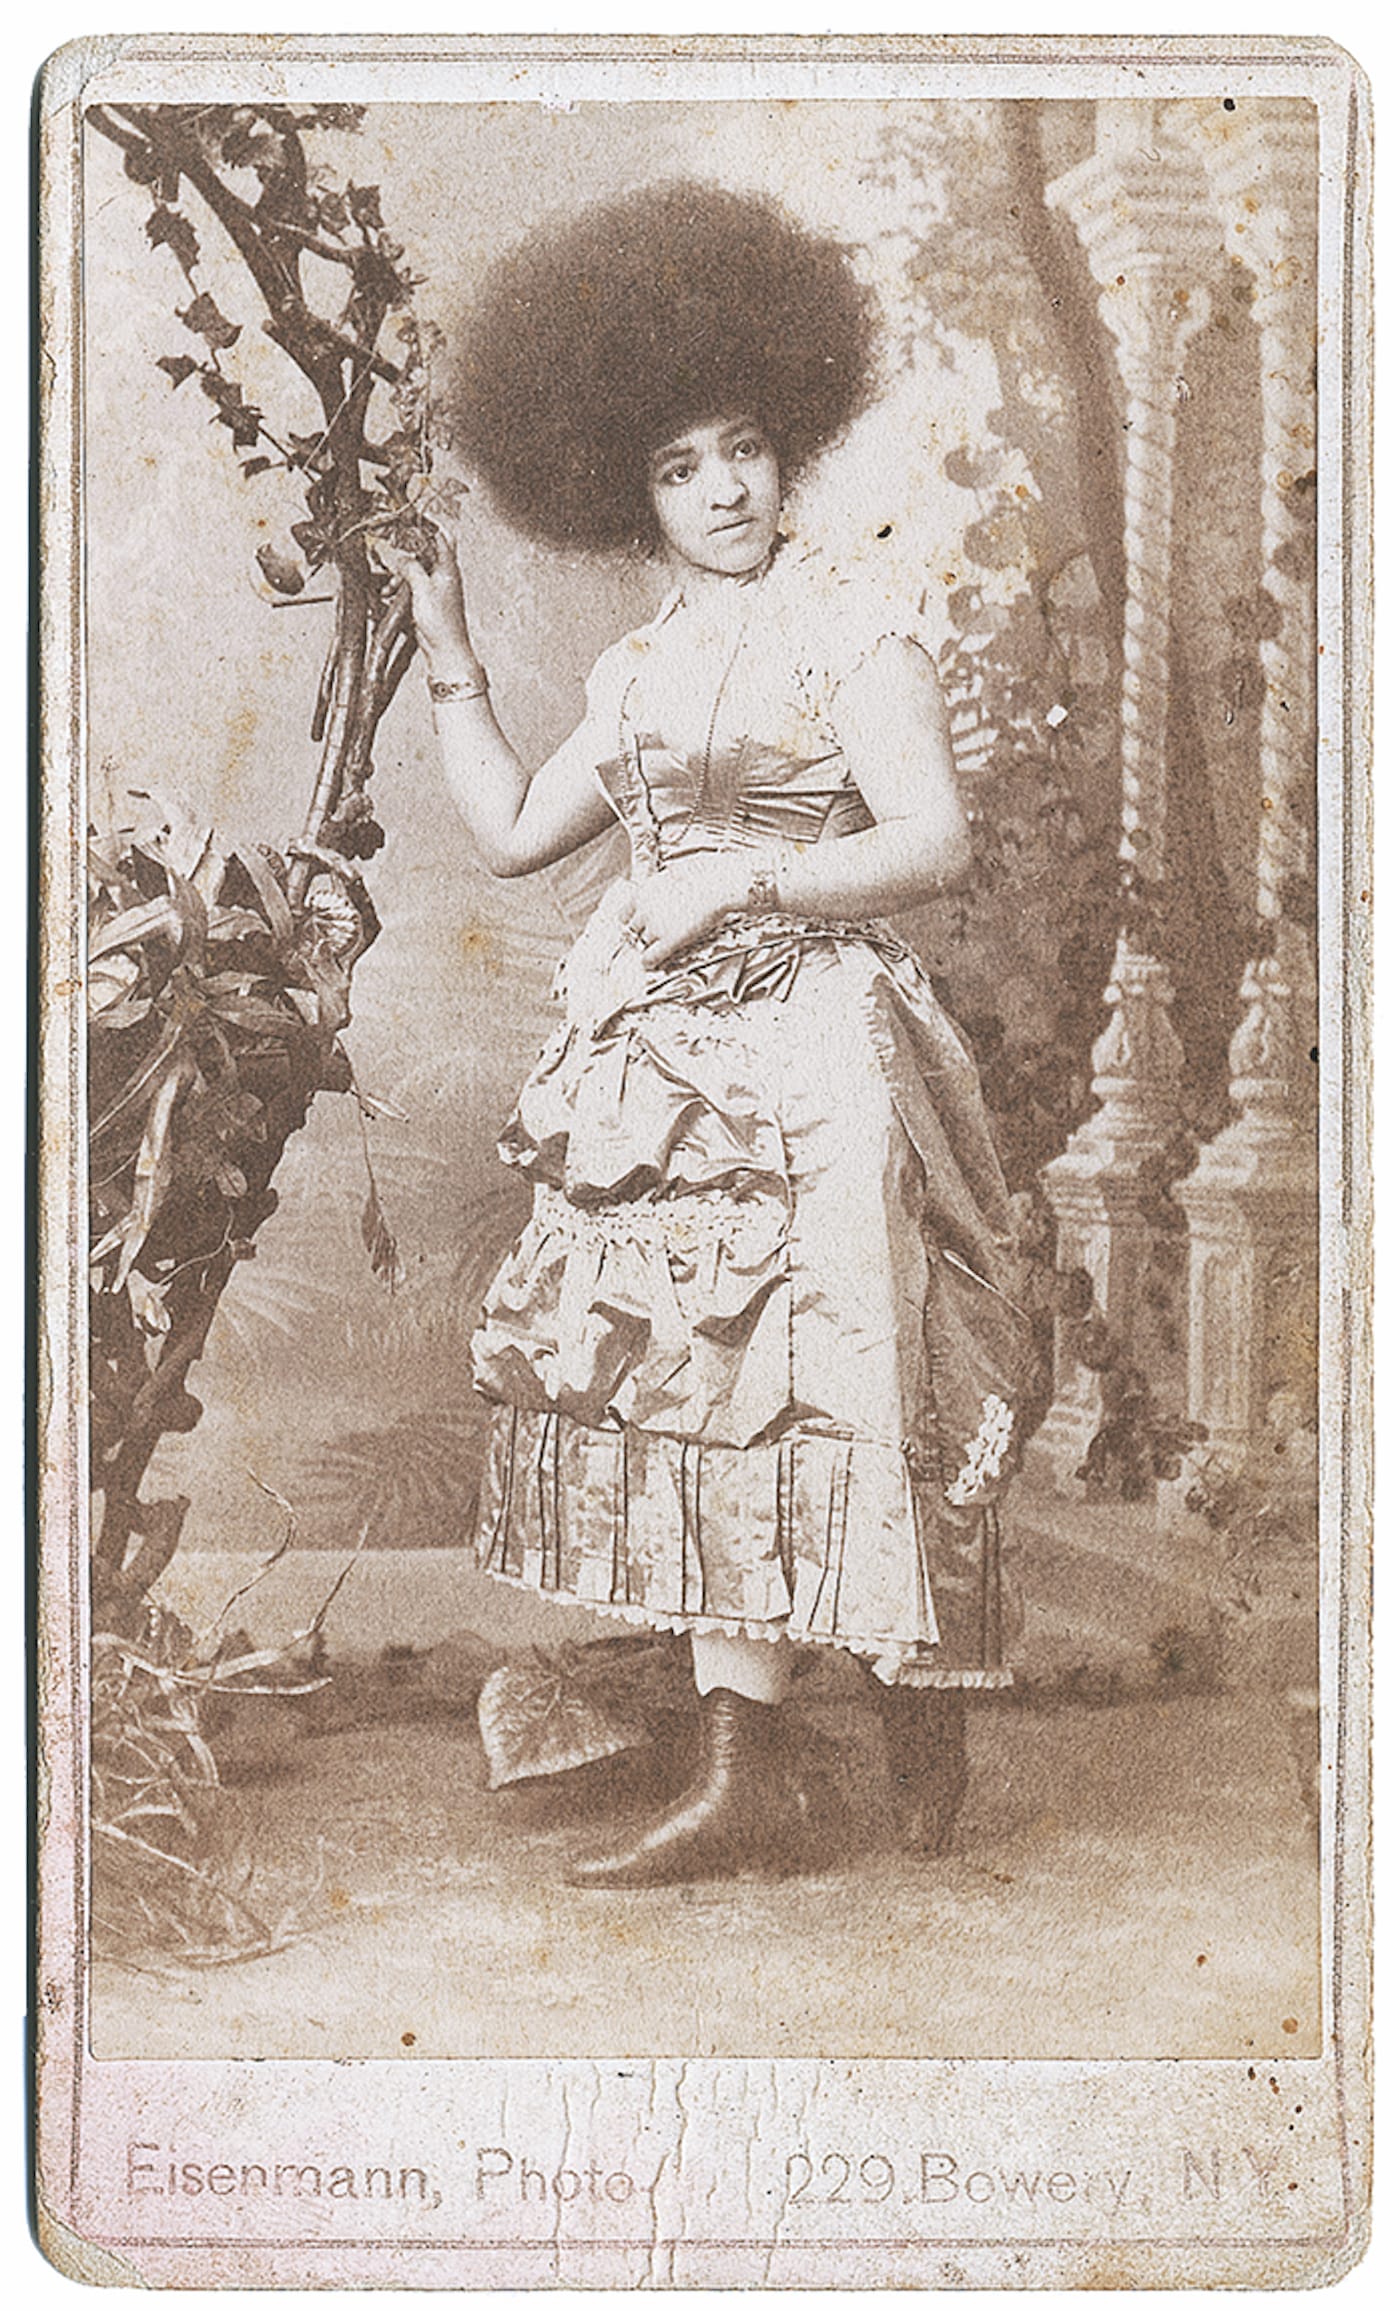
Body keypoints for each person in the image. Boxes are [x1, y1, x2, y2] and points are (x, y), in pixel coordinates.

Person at [386, 182, 1038, 1887]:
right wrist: (449, 647)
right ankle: (744, 1770)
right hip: (662, 1077)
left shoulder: (855, 624)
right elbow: (514, 832)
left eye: (743, 448)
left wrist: (745, 879)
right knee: (702, 1385)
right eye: (680, 468)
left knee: (846, 1368)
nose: (725, 489)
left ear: (785, 444)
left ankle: (914, 1689)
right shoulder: (639, 671)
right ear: (634, 491)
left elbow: (934, 841)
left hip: (822, 1045)